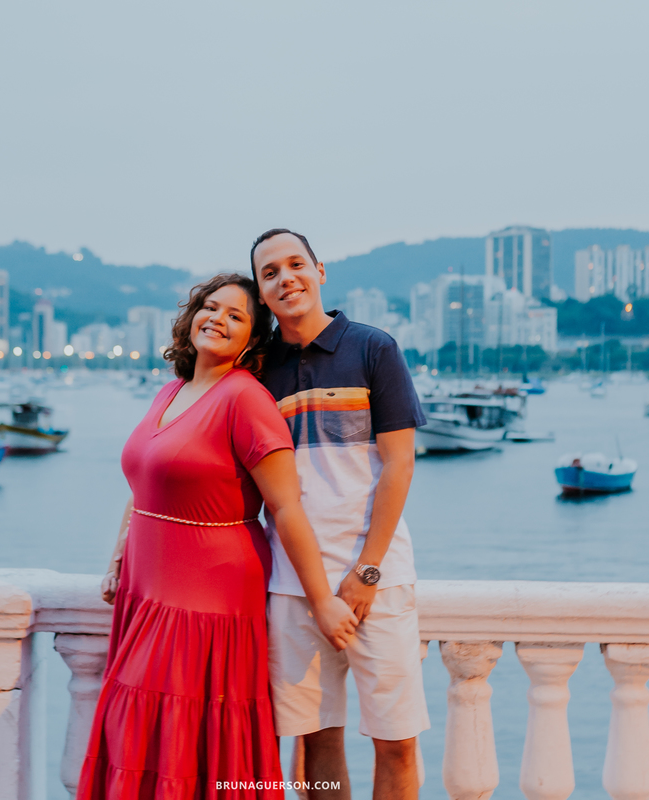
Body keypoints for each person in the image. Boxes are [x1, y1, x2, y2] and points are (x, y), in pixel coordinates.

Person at [79, 273, 357, 799]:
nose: (218, 319)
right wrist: (118, 556)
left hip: (208, 593)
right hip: (146, 586)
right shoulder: (171, 390)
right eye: (211, 307)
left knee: (176, 726)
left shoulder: (245, 400)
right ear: (191, 316)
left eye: (236, 316)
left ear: (252, 341)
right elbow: (144, 482)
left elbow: (285, 507)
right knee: (142, 725)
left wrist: (322, 599)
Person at [251, 229, 430, 800]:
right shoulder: (257, 369)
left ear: (320, 270)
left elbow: (399, 466)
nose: (286, 279)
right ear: (260, 292)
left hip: (379, 579)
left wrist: (367, 571)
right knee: (316, 740)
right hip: (292, 584)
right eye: (270, 273)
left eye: (295, 264)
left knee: (397, 740)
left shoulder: (373, 348)